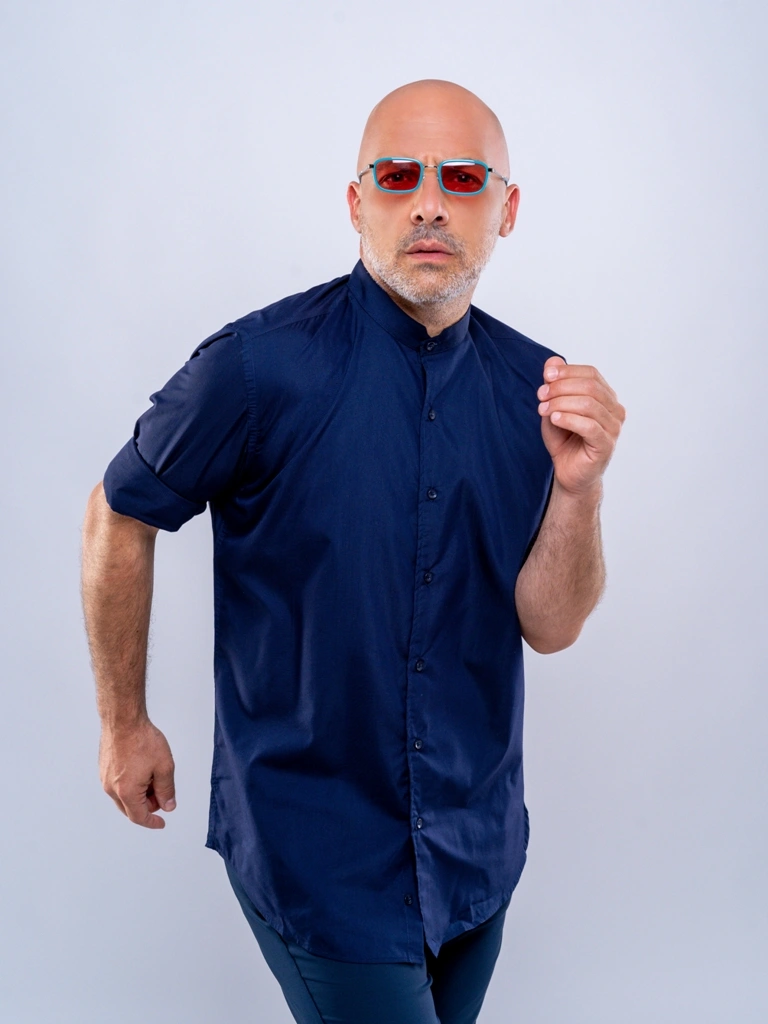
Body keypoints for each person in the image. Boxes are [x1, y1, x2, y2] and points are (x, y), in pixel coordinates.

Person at [80, 79, 625, 1024]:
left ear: (507, 209)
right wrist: (123, 723)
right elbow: (118, 511)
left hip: (475, 851)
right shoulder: (254, 368)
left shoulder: (536, 390)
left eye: (463, 178)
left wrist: (580, 489)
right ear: (355, 201)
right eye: (398, 175)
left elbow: (551, 625)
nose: (429, 203)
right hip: (316, 852)